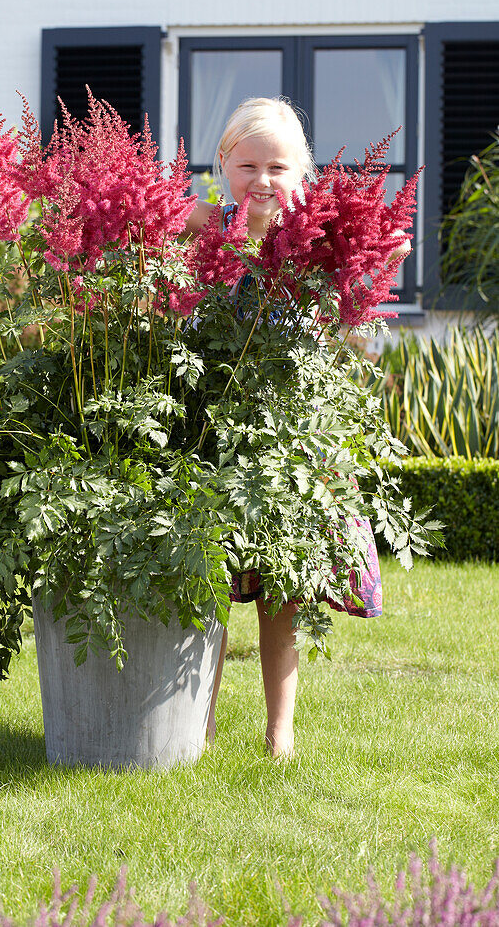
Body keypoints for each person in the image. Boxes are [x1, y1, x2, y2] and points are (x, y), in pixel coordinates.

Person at [192, 96, 407, 758]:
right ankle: (194, 724)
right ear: (222, 163)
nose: (260, 179)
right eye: (246, 164)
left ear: (300, 174)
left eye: (277, 167)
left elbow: (379, 264)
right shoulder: (208, 226)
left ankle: (278, 730)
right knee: (206, 588)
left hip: (291, 441)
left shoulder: (315, 240)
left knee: (280, 591)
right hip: (212, 429)